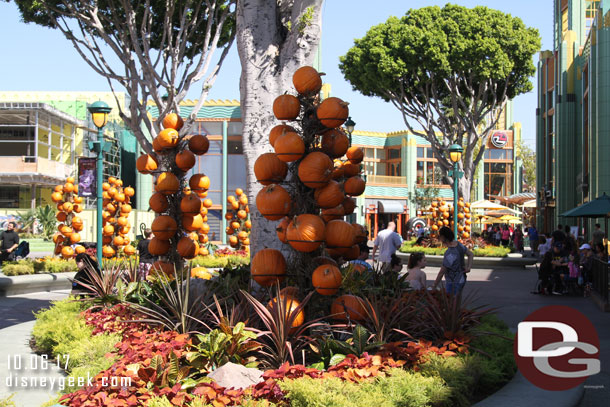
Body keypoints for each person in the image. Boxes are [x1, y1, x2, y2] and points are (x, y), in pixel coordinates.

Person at [433, 226, 474, 295]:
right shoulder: (459, 245)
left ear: (443, 237)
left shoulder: (449, 253)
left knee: (451, 302)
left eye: (440, 236)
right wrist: (468, 267)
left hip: (452, 281)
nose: (439, 238)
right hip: (462, 278)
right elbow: (470, 254)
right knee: (458, 301)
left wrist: (434, 285)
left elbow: (442, 271)